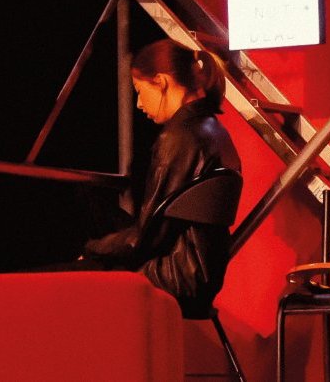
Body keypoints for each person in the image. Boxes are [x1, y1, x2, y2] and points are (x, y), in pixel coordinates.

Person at [82, 38, 241, 315]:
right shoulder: (215, 131)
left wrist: (91, 249)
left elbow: (146, 239)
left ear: (162, 82)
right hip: (202, 274)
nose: (139, 104)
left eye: (140, 91)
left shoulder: (178, 138)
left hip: (176, 276)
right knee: (93, 207)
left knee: (69, 277)